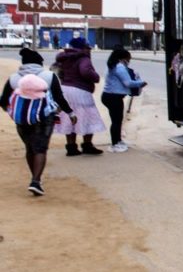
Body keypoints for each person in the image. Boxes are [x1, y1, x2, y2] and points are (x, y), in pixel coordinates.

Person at [1, 48, 76, 195]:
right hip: (44, 118)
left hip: (22, 119)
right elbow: (59, 98)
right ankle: (36, 181)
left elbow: (3, 100)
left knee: (30, 148)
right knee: (41, 148)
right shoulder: (49, 76)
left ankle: (36, 179)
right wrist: (70, 112)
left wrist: (13, 112)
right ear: (39, 63)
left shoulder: (14, 78)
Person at [53, 37, 106, 155]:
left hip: (65, 89)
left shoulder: (65, 57)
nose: (90, 50)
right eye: (88, 47)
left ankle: (71, 147)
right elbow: (85, 71)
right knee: (88, 117)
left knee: (70, 117)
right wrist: (96, 77)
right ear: (83, 48)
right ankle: (87, 145)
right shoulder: (83, 58)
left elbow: (58, 71)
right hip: (80, 91)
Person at [101, 48, 146, 153]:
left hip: (109, 96)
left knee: (116, 120)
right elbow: (128, 83)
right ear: (124, 58)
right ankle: (115, 143)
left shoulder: (112, 65)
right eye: (128, 58)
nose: (129, 61)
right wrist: (141, 83)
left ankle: (118, 141)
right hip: (114, 97)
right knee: (116, 121)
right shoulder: (120, 67)